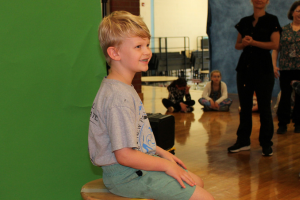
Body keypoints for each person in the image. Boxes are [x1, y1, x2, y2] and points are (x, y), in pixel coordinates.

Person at [88, 11, 214, 200]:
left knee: (197, 182)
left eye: (147, 44)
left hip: (133, 169)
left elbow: (134, 136)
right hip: (127, 176)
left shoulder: (122, 87)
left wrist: (162, 153)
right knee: (205, 198)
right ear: (114, 53)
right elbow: (124, 155)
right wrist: (167, 166)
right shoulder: (118, 98)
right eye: (138, 46)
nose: (147, 51)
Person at [228, 0, 281, 156]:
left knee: (264, 107)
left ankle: (266, 143)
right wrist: (244, 43)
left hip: (264, 70)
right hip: (244, 69)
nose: (260, 0)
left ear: (267, 1)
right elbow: (237, 45)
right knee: (245, 107)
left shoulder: (272, 20)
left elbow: (275, 44)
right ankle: (243, 141)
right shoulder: (244, 22)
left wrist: (254, 42)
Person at [272, 1, 300, 134]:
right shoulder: (283, 30)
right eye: (298, 10)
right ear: (292, 12)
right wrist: (274, 65)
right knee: (285, 96)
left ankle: (298, 124)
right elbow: (276, 50)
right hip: (286, 68)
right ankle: (282, 124)